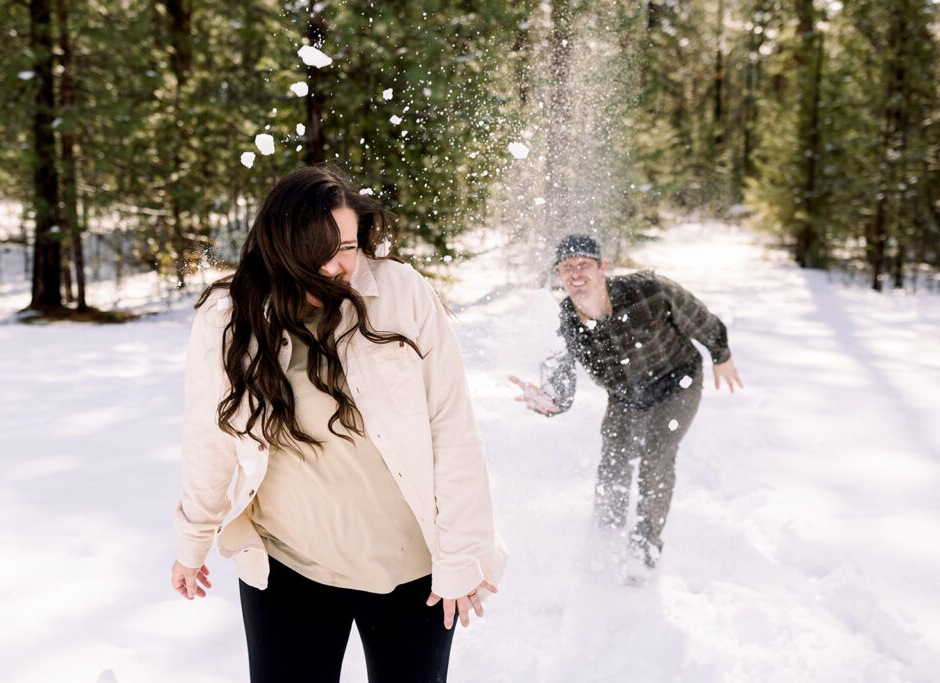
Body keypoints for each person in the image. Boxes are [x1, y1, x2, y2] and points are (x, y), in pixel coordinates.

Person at [170, 166, 506, 682]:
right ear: (281, 247)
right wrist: (193, 541)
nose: (337, 266)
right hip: (289, 569)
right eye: (318, 251)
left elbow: (453, 431)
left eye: (348, 246)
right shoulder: (230, 316)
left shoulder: (401, 293)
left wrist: (462, 552)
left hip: (413, 573)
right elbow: (209, 439)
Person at [510, 234, 741, 573]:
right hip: (626, 396)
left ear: (602, 267)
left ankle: (644, 548)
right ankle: (606, 534)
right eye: (566, 268)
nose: (575, 273)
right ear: (558, 275)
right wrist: (552, 402)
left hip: (677, 382)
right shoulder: (564, 323)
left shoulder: (647, 290)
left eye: (584, 265)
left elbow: (696, 314)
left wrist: (721, 353)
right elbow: (561, 382)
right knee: (613, 462)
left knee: (656, 456)